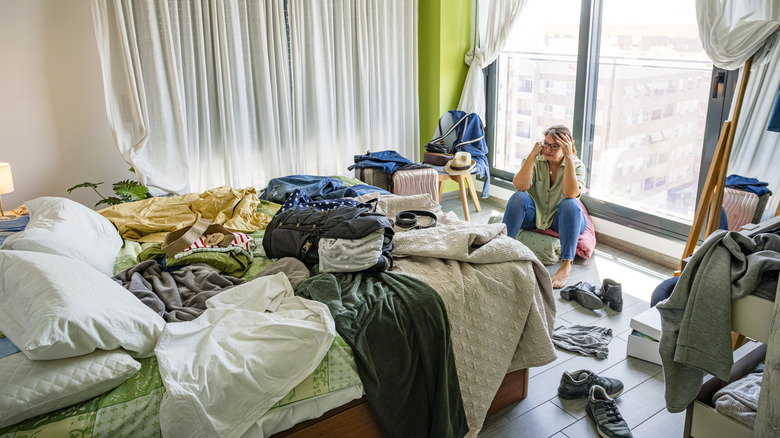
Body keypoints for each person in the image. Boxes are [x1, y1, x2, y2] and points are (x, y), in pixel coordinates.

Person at [502, 125, 587, 288]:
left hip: (564, 218)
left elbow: (571, 194)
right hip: (536, 215)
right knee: (518, 197)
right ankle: (504, 249)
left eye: (555, 146)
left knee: (570, 204)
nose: (548, 149)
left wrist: (568, 159)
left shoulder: (576, 165)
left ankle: (566, 265)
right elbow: (520, 186)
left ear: (566, 148)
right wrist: (532, 156)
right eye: (546, 144)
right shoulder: (534, 158)